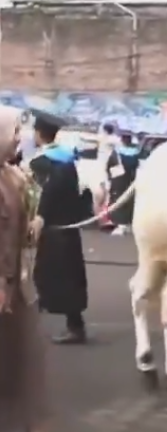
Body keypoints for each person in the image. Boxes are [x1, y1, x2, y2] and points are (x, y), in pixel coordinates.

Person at [0, 105, 50, 432]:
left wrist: (36, 225)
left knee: (27, 361)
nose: (20, 138)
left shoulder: (15, 177)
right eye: (14, 131)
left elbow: (20, 228)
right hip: (4, 284)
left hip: (18, 285)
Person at [29, 108, 89, 345]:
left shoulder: (42, 162)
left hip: (54, 230)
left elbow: (41, 194)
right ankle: (75, 325)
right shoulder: (68, 159)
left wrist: (40, 216)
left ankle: (74, 328)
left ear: (38, 133)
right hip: (69, 228)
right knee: (68, 276)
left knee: (57, 276)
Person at [106, 128, 140, 236]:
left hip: (119, 181)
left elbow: (109, 166)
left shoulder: (117, 153)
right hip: (131, 179)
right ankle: (129, 223)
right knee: (130, 200)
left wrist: (109, 177)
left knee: (118, 200)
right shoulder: (137, 152)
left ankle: (120, 224)